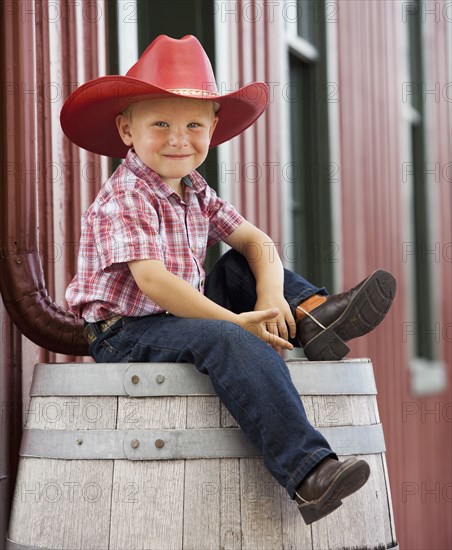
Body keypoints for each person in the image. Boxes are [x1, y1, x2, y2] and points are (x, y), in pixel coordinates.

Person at [61, 34, 396, 525]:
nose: (179, 139)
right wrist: (238, 323)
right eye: (160, 124)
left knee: (241, 265)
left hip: (178, 314)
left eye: (194, 124)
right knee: (225, 338)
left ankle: (309, 316)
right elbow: (154, 282)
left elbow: (258, 243)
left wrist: (269, 294)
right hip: (125, 331)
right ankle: (310, 473)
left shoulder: (195, 187)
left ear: (213, 128)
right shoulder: (126, 195)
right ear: (126, 130)